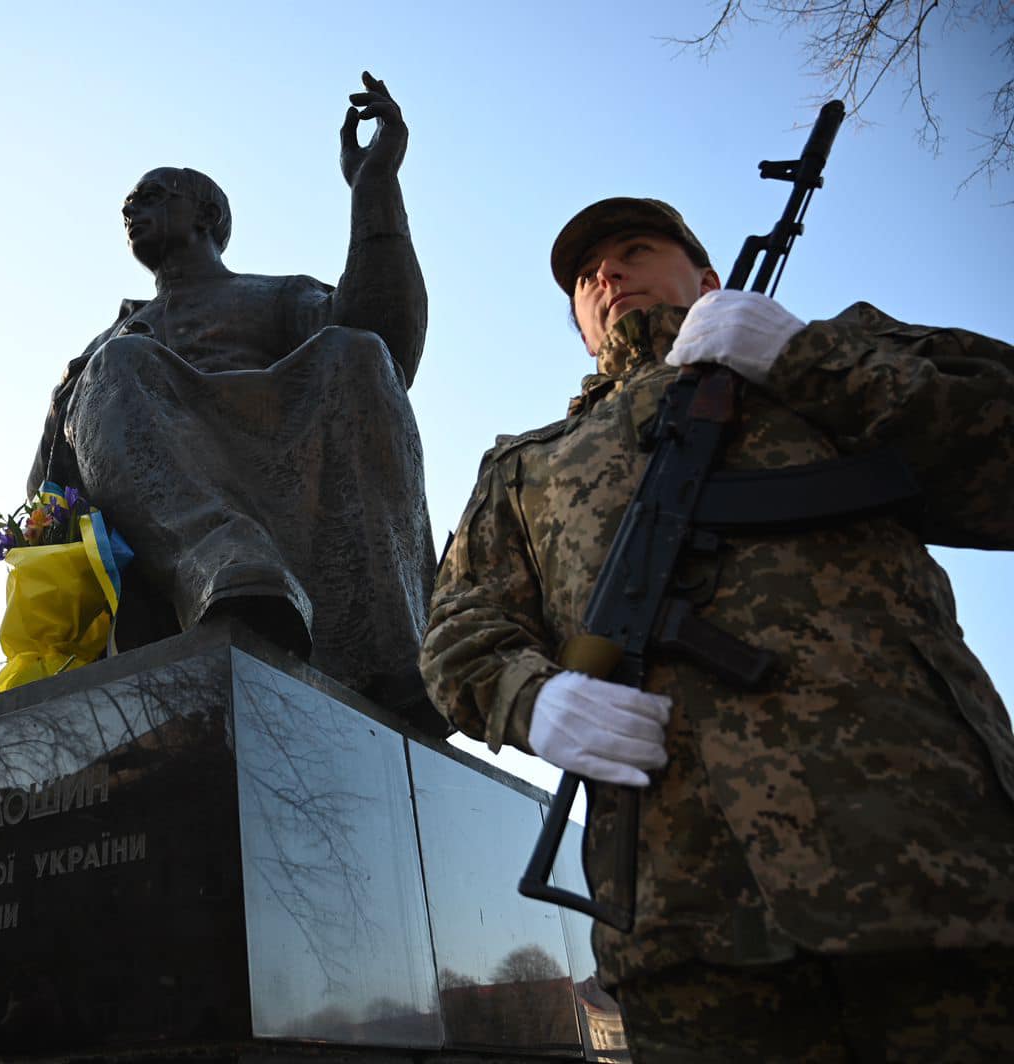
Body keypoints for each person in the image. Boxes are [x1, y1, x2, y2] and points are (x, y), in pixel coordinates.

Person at [420, 197, 1014, 1059]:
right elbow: (460, 624)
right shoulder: (527, 465)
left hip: (929, 857)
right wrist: (531, 699)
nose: (608, 276)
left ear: (709, 279)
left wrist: (804, 358)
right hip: (680, 914)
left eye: (633, 251)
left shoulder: (826, 354)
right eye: (587, 277)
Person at [29, 73, 436, 712]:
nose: (134, 210)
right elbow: (48, 499)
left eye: (155, 195)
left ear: (208, 216)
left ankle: (389, 648)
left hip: (292, 488)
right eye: (128, 205)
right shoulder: (105, 356)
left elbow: (383, 350)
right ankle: (227, 565)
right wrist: (70, 404)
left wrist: (374, 186)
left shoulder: (273, 298)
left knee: (352, 346)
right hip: (181, 548)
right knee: (117, 361)